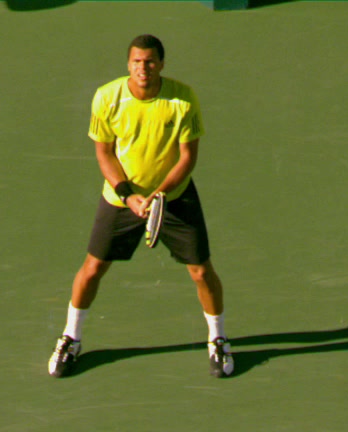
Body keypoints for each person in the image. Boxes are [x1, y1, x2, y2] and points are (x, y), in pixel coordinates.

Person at [48, 34, 234, 378]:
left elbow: (187, 158)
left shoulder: (183, 99)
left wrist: (158, 194)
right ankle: (71, 338)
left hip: (174, 199)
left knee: (201, 271)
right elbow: (104, 153)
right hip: (121, 199)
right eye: (136, 61)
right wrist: (127, 194)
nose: (143, 68)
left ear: (161, 64)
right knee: (92, 268)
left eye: (149, 62)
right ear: (128, 64)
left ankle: (218, 338)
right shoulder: (107, 97)